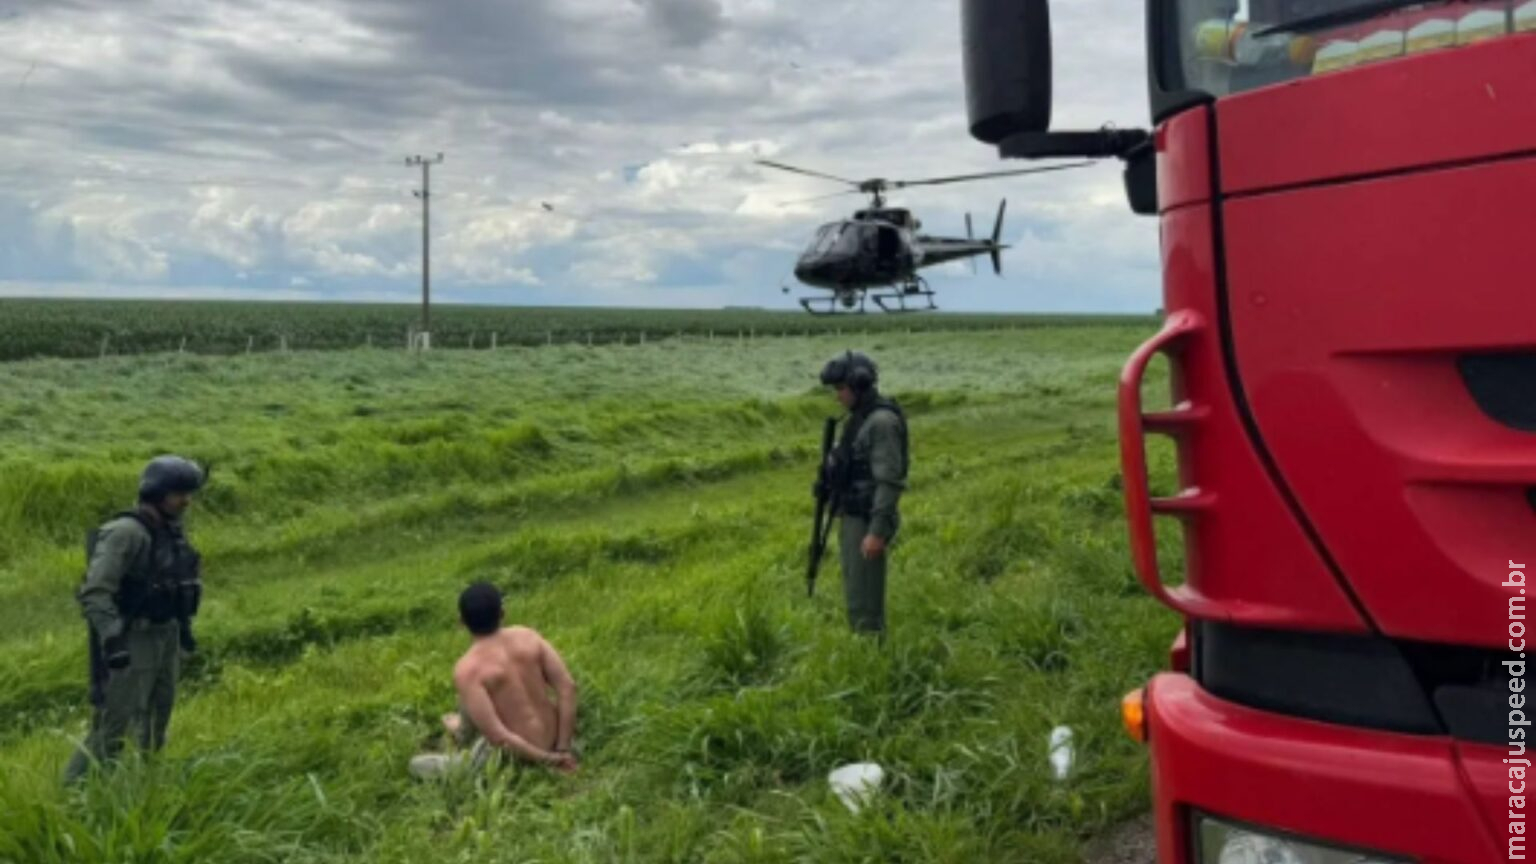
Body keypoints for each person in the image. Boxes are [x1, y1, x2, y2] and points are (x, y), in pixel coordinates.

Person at [64, 455, 206, 784]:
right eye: (178, 493)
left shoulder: (170, 530)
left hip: (165, 635)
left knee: (159, 716)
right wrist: (113, 642)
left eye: (188, 493)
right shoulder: (125, 532)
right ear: (156, 493)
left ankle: (146, 784)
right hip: (133, 639)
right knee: (114, 725)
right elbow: (95, 592)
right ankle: (75, 794)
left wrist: (182, 631)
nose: (186, 500)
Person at [410, 582, 579, 779]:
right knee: (468, 695)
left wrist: (549, 760)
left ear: (461, 622)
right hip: (555, 736)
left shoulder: (468, 669)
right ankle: (461, 730)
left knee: (416, 765)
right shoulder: (528, 637)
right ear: (502, 613)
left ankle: (461, 732)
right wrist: (563, 748)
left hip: (516, 756)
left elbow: (499, 738)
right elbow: (568, 688)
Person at [819, 351, 909, 635]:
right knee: (855, 588)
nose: (838, 396)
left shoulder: (881, 422)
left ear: (859, 384)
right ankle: (864, 647)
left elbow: (889, 481)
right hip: (853, 515)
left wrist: (877, 531)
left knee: (865, 599)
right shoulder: (859, 419)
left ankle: (873, 658)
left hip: (867, 518)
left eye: (841, 389)